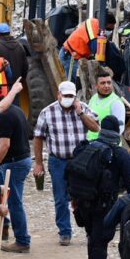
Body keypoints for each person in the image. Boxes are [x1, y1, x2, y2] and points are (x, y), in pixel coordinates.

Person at [69, 115, 130, 259]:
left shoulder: (88, 147)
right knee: (100, 244)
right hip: (104, 206)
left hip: (83, 202)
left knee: (93, 241)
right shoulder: (119, 153)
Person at [32, 80, 99, 246]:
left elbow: (95, 128)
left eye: (71, 96)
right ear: (59, 95)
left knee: (84, 196)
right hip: (58, 161)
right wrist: (38, 163)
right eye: (66, 95)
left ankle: (90, 230)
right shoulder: (47, 112)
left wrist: (81, 113)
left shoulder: (82, 108)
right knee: (61, 198)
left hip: (80, 161)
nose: (68, 98)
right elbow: (38, 137)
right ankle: (65, 232)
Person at [0, 99, 33, 253]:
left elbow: (4, 144)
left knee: (14, 202)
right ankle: (2, 227)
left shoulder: (4, 116)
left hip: (14, 164)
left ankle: (22, 241)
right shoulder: (17, 109)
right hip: (18, 161)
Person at [58, 14, 116, 81]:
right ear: (105, 23)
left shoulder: (94, 22)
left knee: (78, 81)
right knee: (79, 82)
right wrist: (103, 66)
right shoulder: (94, 27)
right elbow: (96, 49)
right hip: (69, 56)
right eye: (108, 29)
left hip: (73, 55)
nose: (107, 31)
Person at [86, 66, 126, 140]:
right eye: (103, 83)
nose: (106, 86)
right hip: (91, 144)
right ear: (96, 86)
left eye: (109, 82)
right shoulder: (93, 98)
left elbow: (119, 129)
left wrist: (105, 143)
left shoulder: (116, 103)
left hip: (107, 147)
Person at [0, 22, 29, 88]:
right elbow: (25, 66)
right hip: (16, 83)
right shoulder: (20, 46)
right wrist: (22, 80)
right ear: (9, 33)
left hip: (2, 85)